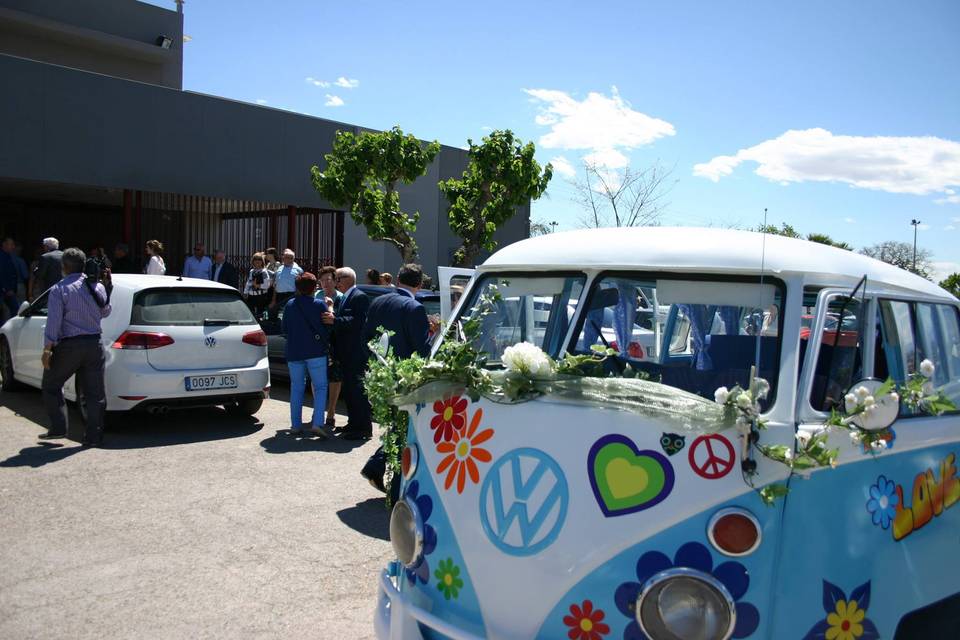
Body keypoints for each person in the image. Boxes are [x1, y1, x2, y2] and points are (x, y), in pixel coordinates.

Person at [361, 264, 434, 497]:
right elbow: (421, 351)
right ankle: (393, 486)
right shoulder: (414, 307)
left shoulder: (378, 302)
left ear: (399, 279)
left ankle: (376, 465)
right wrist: (432, 333)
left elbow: (367, 340)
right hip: (405, 379)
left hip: (381, 376)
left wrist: (376, 366)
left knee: (397, 426)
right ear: (419, 284)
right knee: (404, 429)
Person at [40, 248, 112, 446]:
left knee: (51, 385)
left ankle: (58, 428)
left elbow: (53, 322)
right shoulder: (96, 286)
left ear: (63, 267)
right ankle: (94, 437)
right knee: (95, 394)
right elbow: (105, 312)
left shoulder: (59, 289)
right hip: (94, 344)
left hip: (70, 346)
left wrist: (48, 348)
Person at [322, 266, 372, 440]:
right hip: (345, 352)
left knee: (358, 391)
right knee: (350, 391)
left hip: (355, 353)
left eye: (337, 278)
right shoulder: (344, 298)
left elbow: (358, 322)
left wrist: (336, 320)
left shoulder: (359, 297)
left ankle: (363, 428)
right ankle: (353, 423)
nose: (336, 282)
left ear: (347, 279)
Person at [282, 273, 331, 437]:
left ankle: (295, 425)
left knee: (296, 388)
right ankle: (317, 423)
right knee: (321, 387)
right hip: (316, 351)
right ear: (314, 287)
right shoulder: (319, 305)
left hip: (294, 351)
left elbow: (284, 330)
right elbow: (328, 327)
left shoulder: (290, 305)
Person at [316, 266, 343, 429]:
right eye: (323, 280)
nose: (326, 283)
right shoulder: (316, 296)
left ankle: (331, 412)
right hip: (318, 342)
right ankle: (318, 410)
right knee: (317, 377)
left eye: (329, 279)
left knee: (335, 377)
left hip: (335, 343)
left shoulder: (340, 298)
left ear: (335, 281)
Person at [270, 249, 302, 318]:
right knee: (274, 315)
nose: (290, 260)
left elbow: (301, 285)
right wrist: (273, 300)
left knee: (291, 315)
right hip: (279, 296)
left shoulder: (298, 270)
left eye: (292, 258)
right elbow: (275, 285)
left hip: (292, 295)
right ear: (283, 258)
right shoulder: (279, 269)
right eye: (288, 258)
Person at [243, 252, 272, 319]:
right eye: (255, 260)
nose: (257, 261)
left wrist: (258, 286)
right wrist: (245, 292)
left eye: (259, 260)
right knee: (251, 314)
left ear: (262, 261)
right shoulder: (252, 271)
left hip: (261, 297)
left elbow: (267, 285)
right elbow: (248, 282)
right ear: (253, 261)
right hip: (251, 296)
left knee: (260, 315)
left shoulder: (264, 272)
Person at [0, 237, 20, 320]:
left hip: (8, 290)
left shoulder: (8, 256)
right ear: (4, 245)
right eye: (11, 244)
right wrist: (6, 288)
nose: (13, 247)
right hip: (4, 290)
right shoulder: (1, 257)